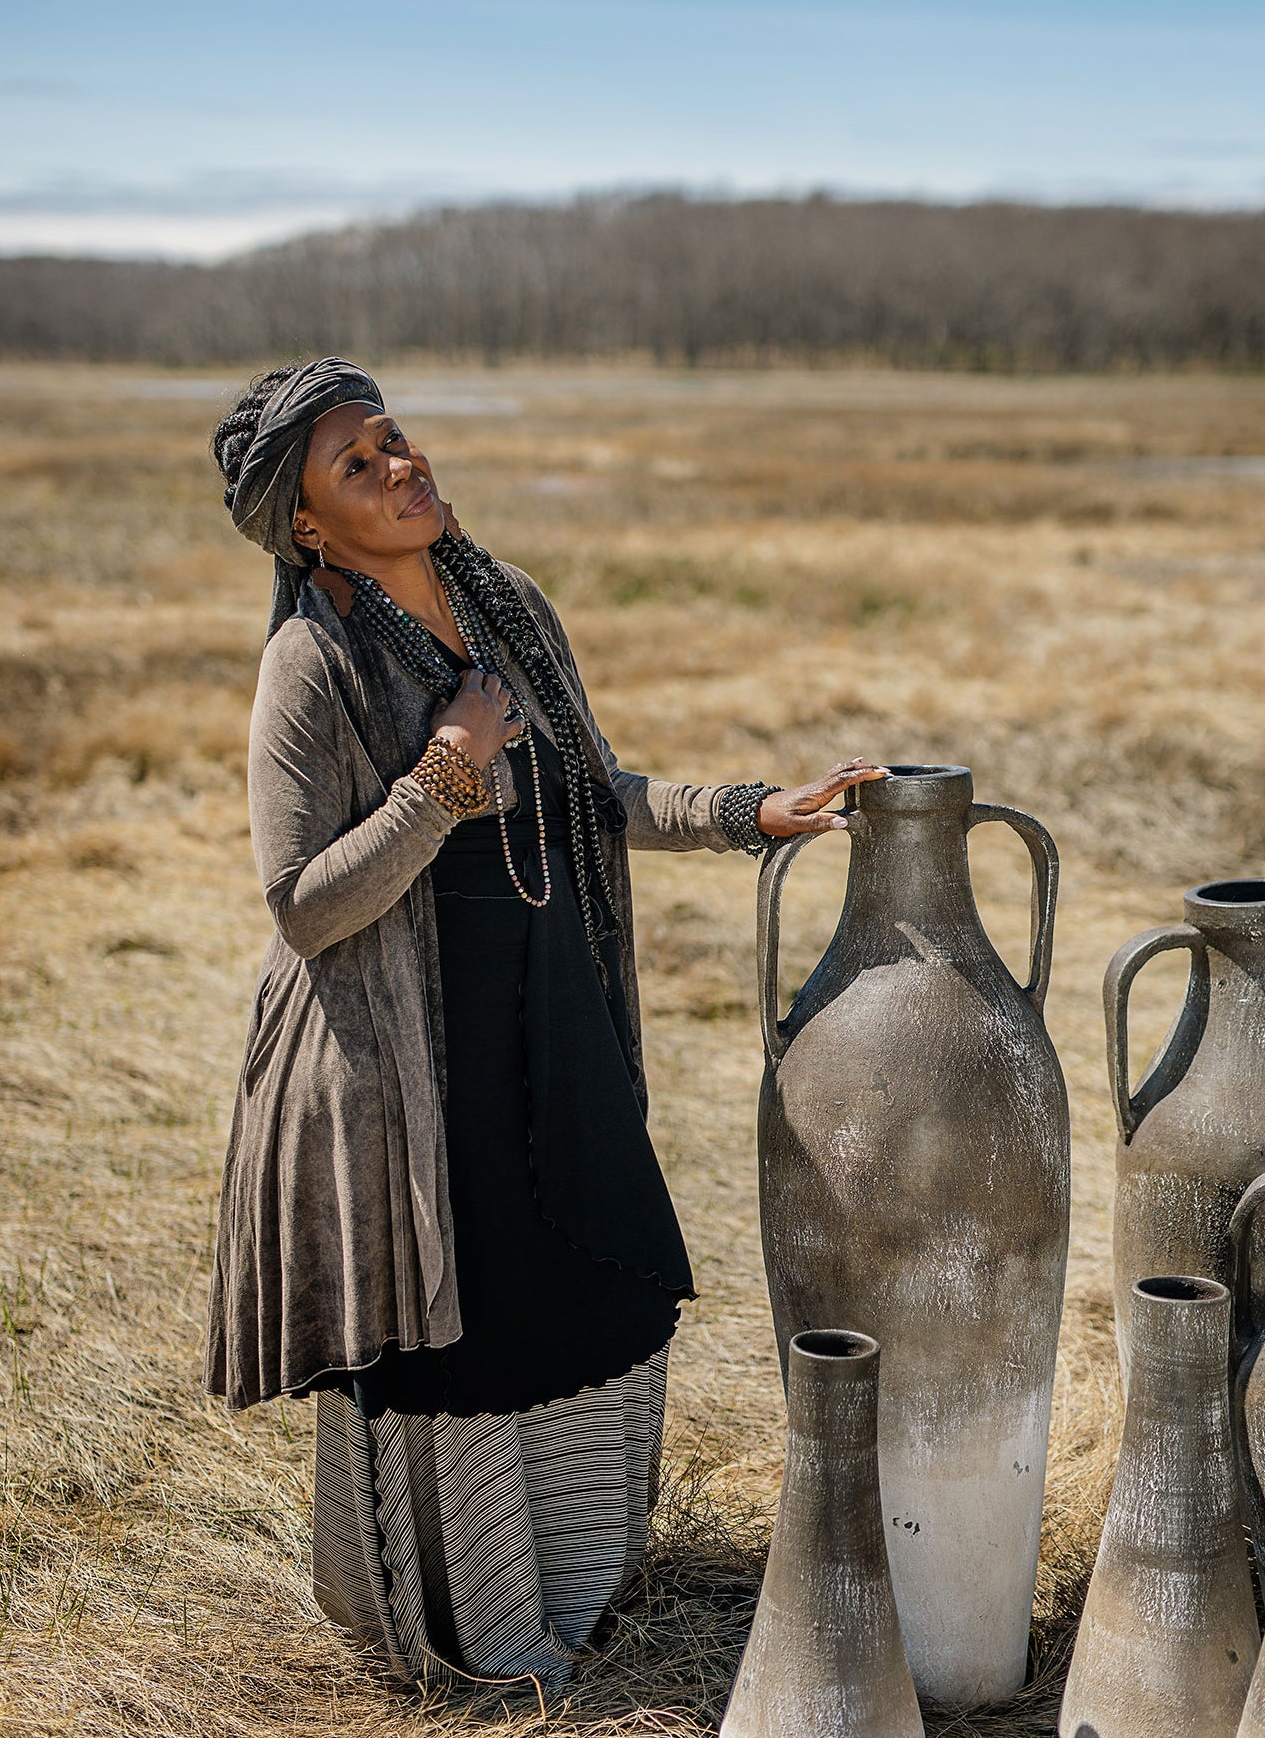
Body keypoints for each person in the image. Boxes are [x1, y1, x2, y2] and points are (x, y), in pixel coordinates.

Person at [204, 357, 883, 1695]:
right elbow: (301, 907)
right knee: (470, 1334)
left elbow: (594, 791)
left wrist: (750, 811)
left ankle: (581, 1584)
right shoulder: (311, 664)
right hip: (408, 1055)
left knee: (591, 1287)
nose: (400, 465)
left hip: (549, 1018)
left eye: (394, 438)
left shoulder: (505, 610)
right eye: (357, 464)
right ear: (304, 523)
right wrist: (443, 776)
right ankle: (470, 1634)